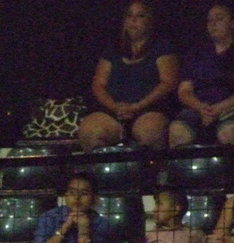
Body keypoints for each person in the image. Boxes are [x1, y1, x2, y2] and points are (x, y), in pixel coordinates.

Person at [77, 1, 179, 151]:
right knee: (89, 131)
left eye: (140, 16)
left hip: (150, 109)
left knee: (150, 133)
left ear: (149, 20)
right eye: (129, 16)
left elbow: (168, 82)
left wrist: (138, 106)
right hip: (114, 110)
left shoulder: (162, 48)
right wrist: (114, 106)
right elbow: (98, 84)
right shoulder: (112, 50)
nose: (133, 20)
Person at [169, 3, 234, 148]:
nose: (213, 24)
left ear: (233, 23)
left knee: (230, 132)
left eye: (219, 19)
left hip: (233, 108)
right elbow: (184, 90)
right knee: (177, 131)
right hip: (199, 108)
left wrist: (220, 108)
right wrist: (201, 107)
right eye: (209, 21)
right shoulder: (196, 54)